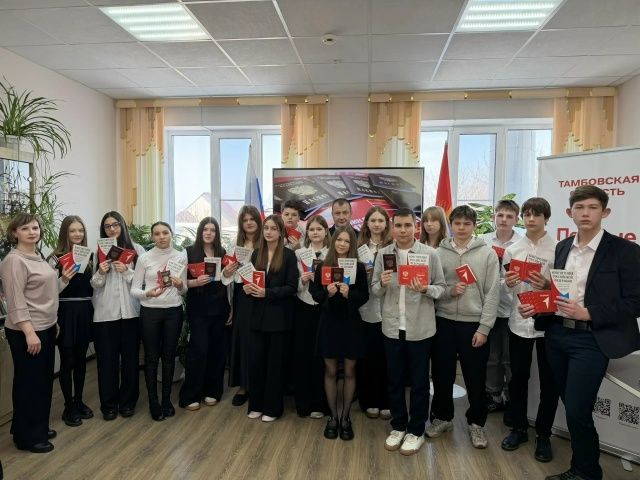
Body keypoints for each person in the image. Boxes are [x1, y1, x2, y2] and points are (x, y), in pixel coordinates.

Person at [529, 186, 640, 480]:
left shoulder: (625, 250)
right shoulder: (563, 247)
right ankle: (584, 469)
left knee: (577, 410)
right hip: (556, 334)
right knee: (572, 406)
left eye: (593, 207)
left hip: (591, 339)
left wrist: (589, 313)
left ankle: (586, 472)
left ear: (605, 212)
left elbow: (635, 301)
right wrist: (542, 294)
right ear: (570, 213)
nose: (585, 213)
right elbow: (563, 291)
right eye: (579, 208)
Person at [372, 208, 446, 455]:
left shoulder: (429, 254)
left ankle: (416, 430)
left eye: (407, 225)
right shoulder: (384, 254)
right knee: (394, 380)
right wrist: (382, 284)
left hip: (420, 328)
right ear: (392, 227)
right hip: (392, 328)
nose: (402, 230)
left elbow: (441, 288)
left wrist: (426, 289)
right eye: (398, 226)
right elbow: (375, 289)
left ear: (416, 227)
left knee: (419, 382)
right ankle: (398, 426)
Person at [428, 205, 500, 449]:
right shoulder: (439, 253)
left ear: (474, 226)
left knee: (475, 377)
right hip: (444, 321)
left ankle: (476, 424)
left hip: (473, 324)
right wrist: (450, 291)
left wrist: (484, 328)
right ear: (450, 225)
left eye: (466, 224)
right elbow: (434, 288)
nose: (461, 228)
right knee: (442, 374)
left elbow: (492, 293)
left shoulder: (487, 254)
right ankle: (442, 417)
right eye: (457, 223)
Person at [501, 197, 559, 463]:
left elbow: (565, 289)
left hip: (548, 323)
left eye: (537, 214)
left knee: (549, 382)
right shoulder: (513, 249)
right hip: (519, 320)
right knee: (518, 377)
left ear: (547, 218)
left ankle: (544, 434)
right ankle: (519, 428)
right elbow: (505, 287)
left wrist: (547, 284)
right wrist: (509, 282)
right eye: (527, 214)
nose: (531, 219)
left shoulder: (558, 248)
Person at [0, 214, 58, 453]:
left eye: (35, 228)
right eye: (25, 228)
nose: (32, 232)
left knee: (42, 382)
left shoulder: (38, 256)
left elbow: (47, 292)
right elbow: (15, 300)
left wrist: (53, 322)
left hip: (46, 327)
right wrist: (29, 332)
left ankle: (35, 426)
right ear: (15, 233)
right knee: (29, 384)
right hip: (27, 331)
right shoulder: (14, 260)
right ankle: (28, 438)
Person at [310, 226, 369, 441]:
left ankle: (345, 418)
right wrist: (327, 293)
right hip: (329, 324)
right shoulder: (323, 267)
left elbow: (365, 296)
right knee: (331, 370)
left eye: (347, 241)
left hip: (351, 324)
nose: (342, 244)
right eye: (339, 240)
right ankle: (333, 417)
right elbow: (315, 294)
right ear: (333, 241)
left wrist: (348, 295)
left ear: (352, 245)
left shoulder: (358, 268)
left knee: (350, 371)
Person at [91, 211, 146, 420]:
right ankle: (108, 405)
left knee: (131, 361)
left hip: (131, 313)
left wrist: (126, 271)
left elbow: (143, 283)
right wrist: (101, 272)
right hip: (105, 315)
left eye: (115, 224)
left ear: (122, 226)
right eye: (108, 226)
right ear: (103, 230)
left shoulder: (137, 250)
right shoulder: (98, 252)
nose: (112, 229)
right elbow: (95, 285)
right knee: (107, 362)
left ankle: (128, 403)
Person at [131, 221, 187, 421]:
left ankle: (166, 400)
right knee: (152, 358)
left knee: (169, 356)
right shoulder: (144, 258)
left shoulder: (181, 256)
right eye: (157, 233)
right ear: (152, 237)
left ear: (171, 234)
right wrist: (148, 293)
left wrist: (180, 285)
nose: (161, 236)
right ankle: (153, 402)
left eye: (165, 232)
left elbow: (184, 289)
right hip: (150, 312)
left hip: (173, 311)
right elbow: (134, 289)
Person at [244, 214, 298, 422]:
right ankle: (256, 404)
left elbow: (291, 287)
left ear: (281, 232)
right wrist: (248, 289)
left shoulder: (289, 255)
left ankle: (272, 408)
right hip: (257, 318)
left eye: (273, 228)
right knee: (256, 363)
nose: (268, 232)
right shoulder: (256, 254)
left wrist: (268, 293)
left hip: (279, 319)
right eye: (266, 228)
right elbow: (250, 281)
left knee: (275, 366)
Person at [179, 217, 231, 411]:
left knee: (218, 351)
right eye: (205, 229)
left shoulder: (222, 253)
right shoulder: (188, 252)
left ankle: (212, 391)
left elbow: (228, 283)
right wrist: (195, 282)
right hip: (199, 309)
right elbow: (180, 283)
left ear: (217, 233)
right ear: (200, 232)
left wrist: (231, 307)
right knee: (199, 351)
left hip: (220, 308)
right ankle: (191, 394)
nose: (209, 233)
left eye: (213, 230)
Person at [47, 215, 94, 427]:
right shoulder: (55, 258)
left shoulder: (90, 256)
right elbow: (49, 292)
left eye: (81, 230)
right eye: (73, 230)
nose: (77, 234)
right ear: (65, 232)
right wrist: (64, 278)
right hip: (64, 311)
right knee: (67, 361)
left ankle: (79, 400)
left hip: (84, 311)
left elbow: (94, 286)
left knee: (81, 360)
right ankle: (69, 406)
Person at [481, 199, 521, 415]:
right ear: (493, 217)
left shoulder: (522, 243)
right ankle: (493, 395)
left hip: (513, 308)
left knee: (509, 359)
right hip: (488, 308)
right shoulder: (483, 241)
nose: (504, 220)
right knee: (492, 357)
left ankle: (511, 397)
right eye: (500, 215)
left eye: (509, 216)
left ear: (516, 219)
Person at [222, 205, 262, 407]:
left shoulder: (266, 242)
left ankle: (259, 384)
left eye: (252, 219)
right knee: (243, 340)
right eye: (245, 220)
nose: (249, 223)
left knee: (259, 340)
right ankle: (243, 386)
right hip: (242, 296)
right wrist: (227, 272)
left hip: (262, 294)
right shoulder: (234, 244)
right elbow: (226, 277)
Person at [356, 206, 392, 420]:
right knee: (368, 358)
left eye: (381, 220)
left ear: (386, 224)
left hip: (389, 308)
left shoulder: (393, 247)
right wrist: (365, 273)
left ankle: (386, 401)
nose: (377, 224)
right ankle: (369, 400)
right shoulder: (359, 248)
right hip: (366, 308)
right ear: (367, 223)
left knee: (387, 358)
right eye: (373, 220)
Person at [293, 215, 330, 419]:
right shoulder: (299, 254)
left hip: (324, 308)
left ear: (326, 231)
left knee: (321, 358)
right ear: (307, 233)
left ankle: (320, 404)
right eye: (312, 229)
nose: (315, 232)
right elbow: (293, 285)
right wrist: (303, 280)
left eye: (319, 229)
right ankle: (303, 403)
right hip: (303, 307)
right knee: (303, 355)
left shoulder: (331, 254)